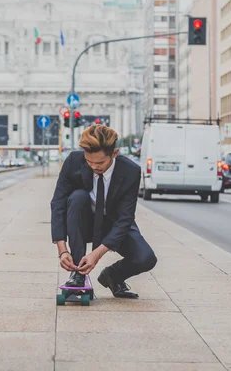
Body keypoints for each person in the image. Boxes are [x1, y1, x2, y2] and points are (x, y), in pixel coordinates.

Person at [50, 125, 157, 299]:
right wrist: (62, 250)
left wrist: (96, 254)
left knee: (146, 258)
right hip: (82, 220)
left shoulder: (130, 171)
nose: (93, 166)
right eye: (89, 161)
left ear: (114, 154)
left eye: (100, 163)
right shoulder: (73, 161)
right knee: (77, 198)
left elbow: (125, 217)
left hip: (112, 222)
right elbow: (58, 203)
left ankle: (113, 276)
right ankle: (78, 274)